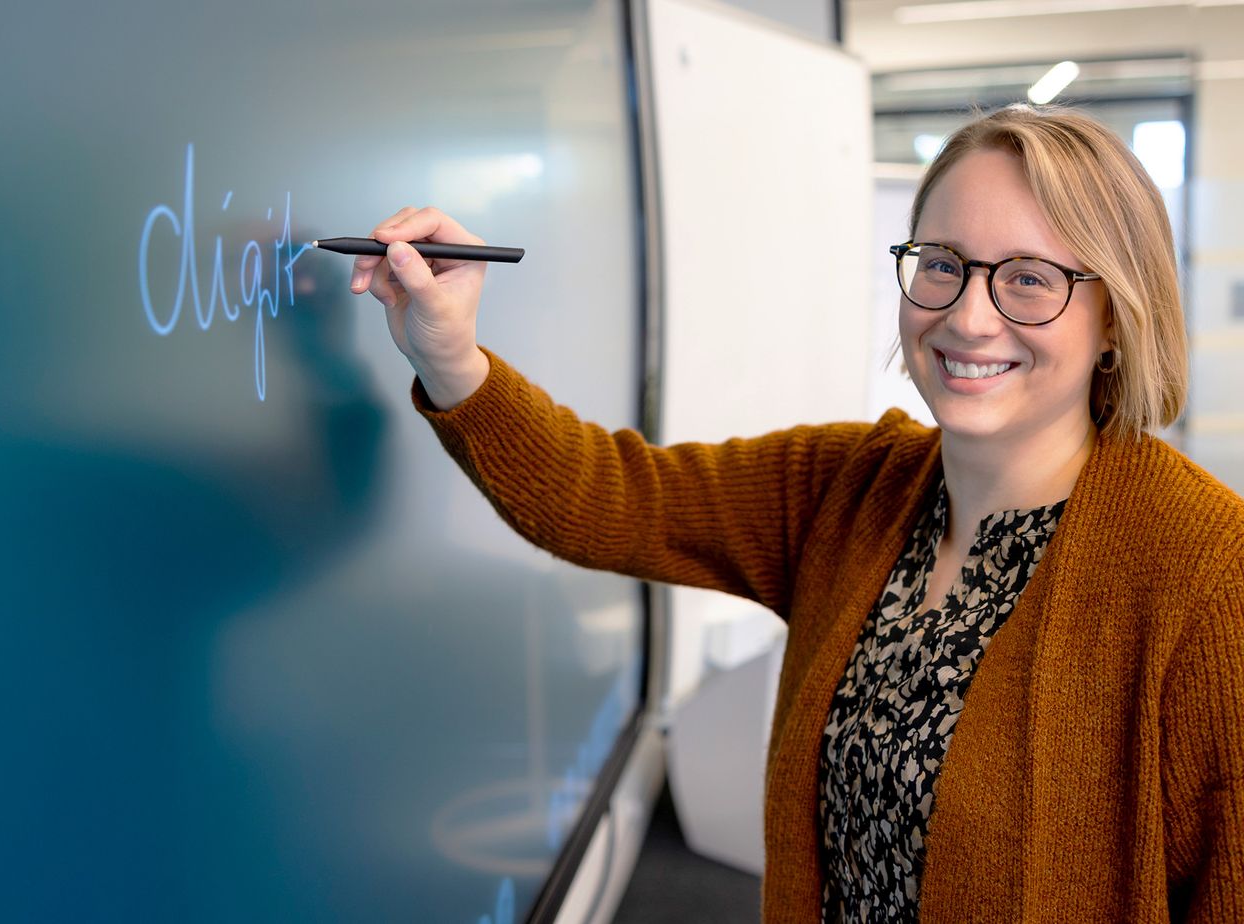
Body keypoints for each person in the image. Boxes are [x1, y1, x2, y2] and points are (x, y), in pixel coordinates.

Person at [349, 105, 1244, 922]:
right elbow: (604, 498)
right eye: (941, 265)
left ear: (1117, 316)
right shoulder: (850, 487)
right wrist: (450, 353)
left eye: (1030, 278)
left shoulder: (1204, 574)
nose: (970, 317)